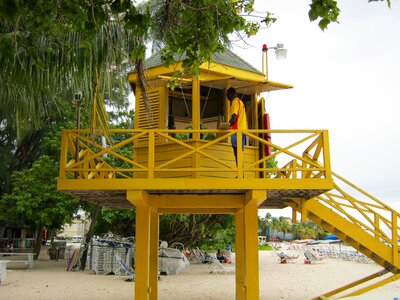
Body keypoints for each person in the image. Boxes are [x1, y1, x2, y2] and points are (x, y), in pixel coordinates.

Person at [227, 87, 247, 166]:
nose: (227, 98)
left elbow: (234, 118)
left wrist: (227, 125)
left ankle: (239, 173)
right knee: (239, 153)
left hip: (236, 130)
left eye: (228, 96)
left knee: (236, 152)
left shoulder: (235, 102)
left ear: (230, 94)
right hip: (242, 130)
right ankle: (241, 173)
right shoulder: (240, 102)